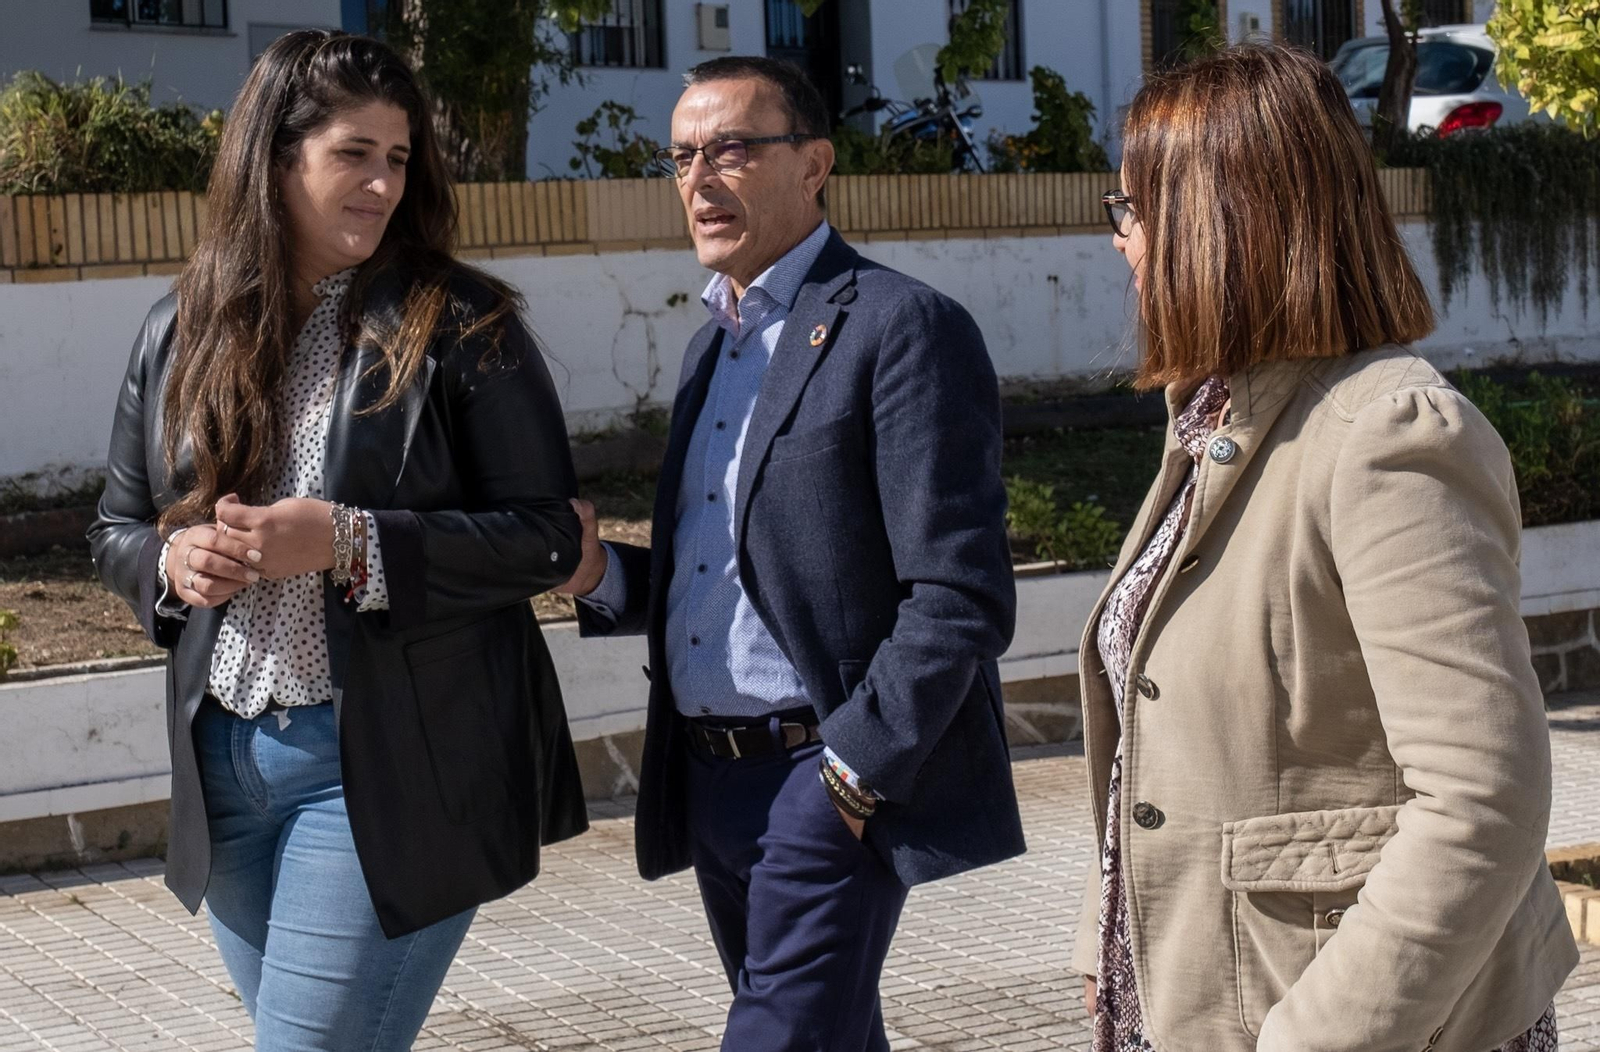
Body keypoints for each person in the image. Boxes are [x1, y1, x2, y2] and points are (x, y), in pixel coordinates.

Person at [87, 31, 587, 1051]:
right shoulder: (178, 329)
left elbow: (545, 538)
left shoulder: (462, 323)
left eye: (397, 158)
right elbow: (115, 527)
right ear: (275, 160)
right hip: (225, 764)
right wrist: (173, 561)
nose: (383, 184)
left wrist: (351, 542)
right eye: (353, 154)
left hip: (389, 768)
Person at [1076, 45, 1576, 1052]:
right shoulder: (1219, 415)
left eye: (1131, 208)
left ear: (1219, 219)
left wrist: (1317, 1035)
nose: (1119, 239)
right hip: (1201, 990)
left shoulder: (1387, 434)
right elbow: (1163, 738)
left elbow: (1483, 797)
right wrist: (1111, 934)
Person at [554, 56, 1025, 1052]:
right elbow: (726, 573)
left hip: (826, 776)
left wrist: (847, 777)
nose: (698, 179)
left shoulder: (900, 326)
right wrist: (599, 575)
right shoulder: (711, 348)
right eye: (680, 157)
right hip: (710, 781)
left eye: (730, 149)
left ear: (814, 164)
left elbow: (959, 593)